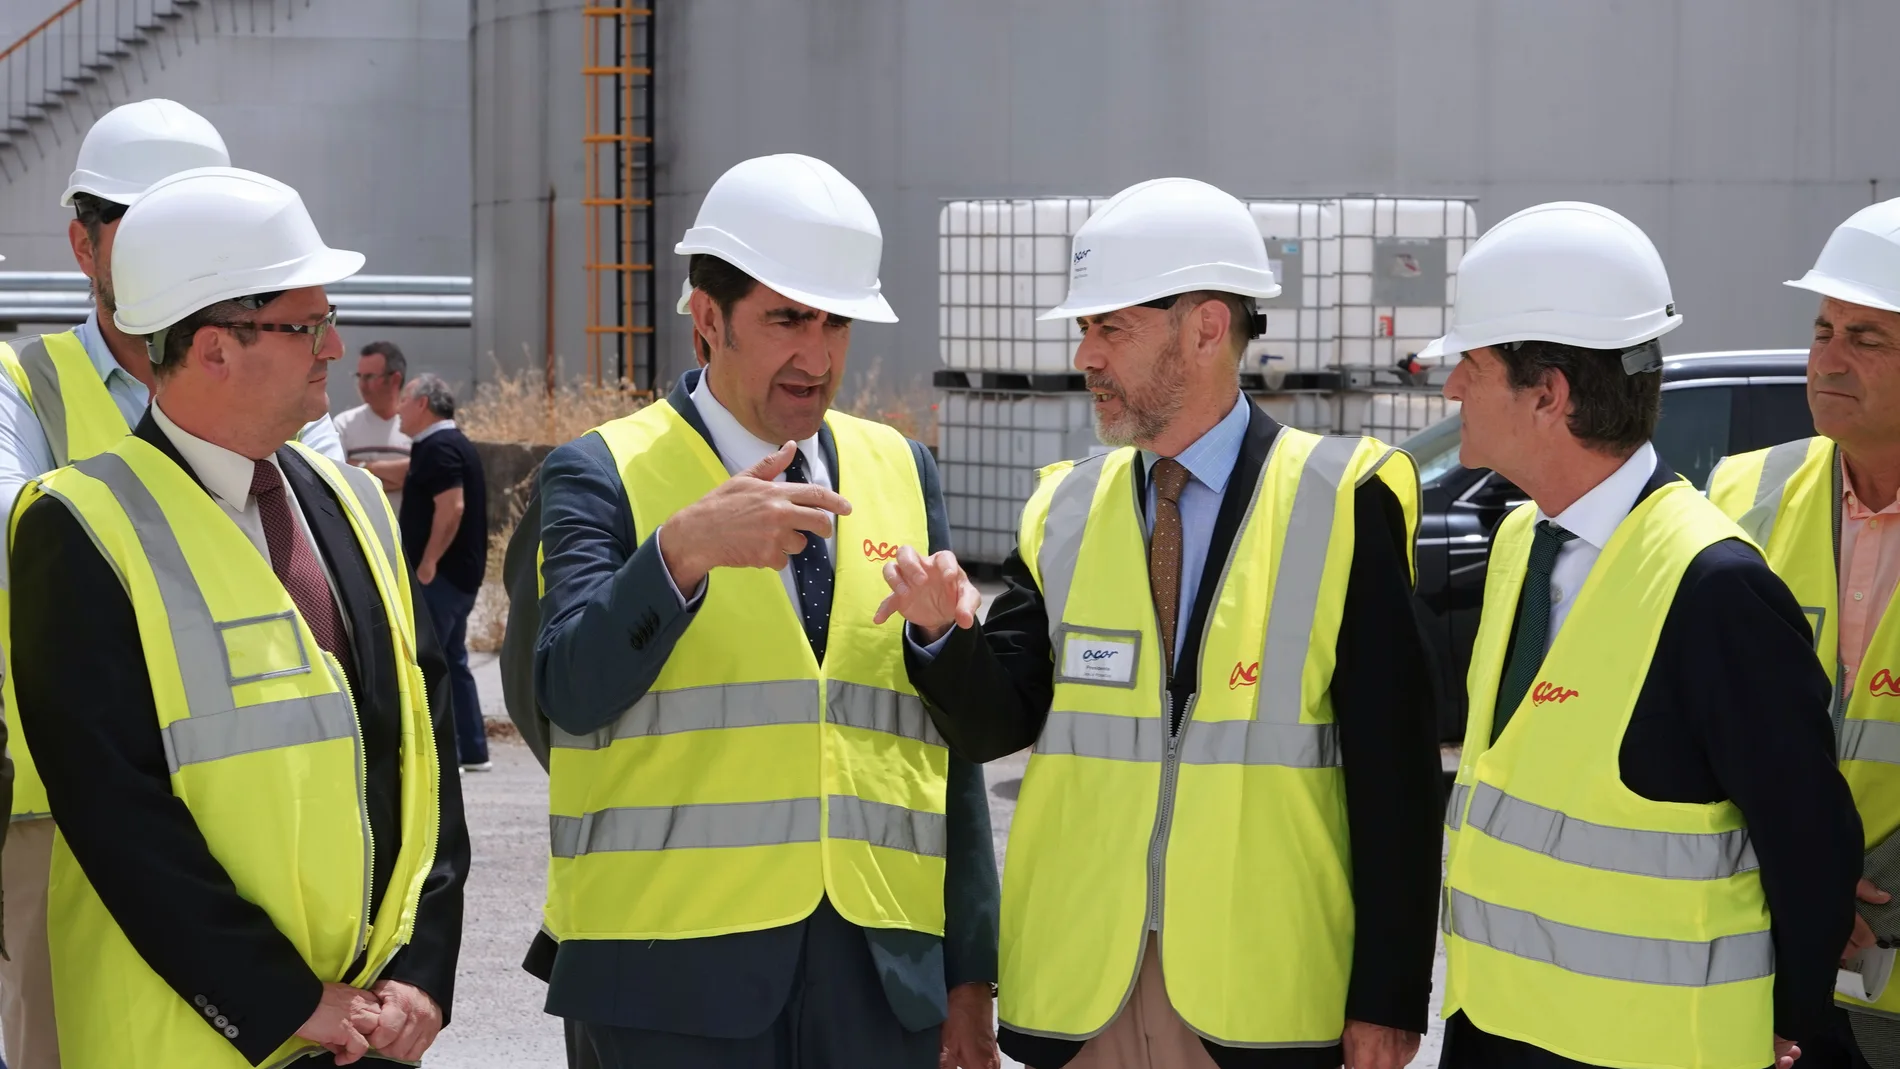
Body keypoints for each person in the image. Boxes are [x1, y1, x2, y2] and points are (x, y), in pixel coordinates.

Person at [879, 177, 1442, 1069]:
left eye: (1112, 327)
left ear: (1207, 327)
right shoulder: (1064, 509)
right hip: (1087, 993)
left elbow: (1399, 776)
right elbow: (998, 722)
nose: (1087, 356)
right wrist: (944, 639)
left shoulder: (1342, 500)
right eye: (1084, 330)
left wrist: (1389, 993)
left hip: (1259, 1001)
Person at [531, 152, 1000, 1069]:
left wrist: (968, 975)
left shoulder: (904, 471)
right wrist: (680, 553)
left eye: (836, 322)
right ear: (708, 319)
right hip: (667, 985)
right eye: (787, 318)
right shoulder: (603, 471)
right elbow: (567, 691)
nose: (817, 356)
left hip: (879, 982)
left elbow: (949, 753)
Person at [6, 167, 468, 1068]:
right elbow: (116, 811)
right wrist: (283, 998)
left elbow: (426, 743)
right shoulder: (78, 528)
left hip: (367, 1029)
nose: (336, 348)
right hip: (191, 1038)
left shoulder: (354, 502)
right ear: (215, 347)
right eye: (308, 326)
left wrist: (424, 967)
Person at [1422, 202, 1861, 1069]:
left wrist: (1789, 1021)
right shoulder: (1520, 539)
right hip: (1498, 1029)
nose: (1450, 389)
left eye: (1468, 365)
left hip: (1653, 1052)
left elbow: (1810, 843)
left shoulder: (1717, 588)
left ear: (1548, 393)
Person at [0, 97, 341, 1069]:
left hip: (270, 801)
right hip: (65, 812)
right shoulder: (24, 384)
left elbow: (339, 540)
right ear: (82, 242)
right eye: (141, 222)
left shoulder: (286, 372)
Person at [1708, 197, 1900, 1067]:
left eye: (1868, 338)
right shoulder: (1739, 493)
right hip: (1772, 966)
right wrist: (1807, 890)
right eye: (1824, 329)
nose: (1829, 357)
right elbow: (1697, 722)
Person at [398, 372, 490, 773]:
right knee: (454, 660)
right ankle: (472, 751)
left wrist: (428, 562)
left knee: (431, 662)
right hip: (461, 577)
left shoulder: (439, 447)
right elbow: (416, 477)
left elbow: (452, 506)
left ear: (422, 404)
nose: (399, 409)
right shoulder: (444, 445)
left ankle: (444, 754)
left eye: (404, 399)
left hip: (442, 578)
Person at [335, 340, 411, 508]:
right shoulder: (344, 425)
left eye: (369, 377)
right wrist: (400, 474)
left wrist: (359, 467)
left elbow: (423, 474)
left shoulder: (418, 426)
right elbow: (338, 478)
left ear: (395, 380)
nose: (362, 385)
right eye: (359, 376)